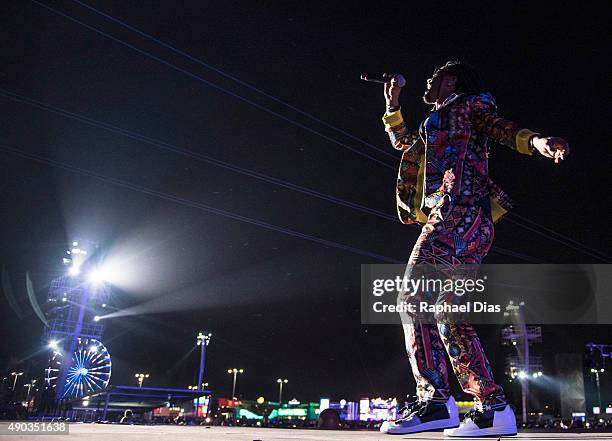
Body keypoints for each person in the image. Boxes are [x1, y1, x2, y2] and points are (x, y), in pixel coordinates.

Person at [378, 60, 569, 437]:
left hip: (458, 212)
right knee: (448, 314)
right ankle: (492, 408)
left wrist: (536, 142)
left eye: (434, 77)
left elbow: (499, 128)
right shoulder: (438, 120)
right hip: (471, 220)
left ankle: (434, 401)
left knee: (413, 298)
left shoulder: (468, 104)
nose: (428, 82)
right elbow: (406, 145)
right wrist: (392, 103)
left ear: (451, 81)